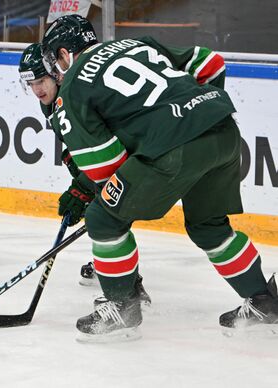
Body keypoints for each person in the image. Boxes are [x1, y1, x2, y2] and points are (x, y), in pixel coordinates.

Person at [40, 14, 278, 341]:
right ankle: (262, 299)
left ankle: (122, 307)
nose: (55, 69)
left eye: (55, 60)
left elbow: (103, 165)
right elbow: (211, 63)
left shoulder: (71, 89)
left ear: (65, 54)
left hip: (172, 148)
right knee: (208, 225)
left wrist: (117, 200)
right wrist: (194, 114)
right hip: (222, 127)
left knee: (104, 219)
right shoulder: (135, 43)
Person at [19, 43, 151, 301]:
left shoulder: (76, 94)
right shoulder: (51, 101)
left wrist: (83, 186)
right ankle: (112, 266)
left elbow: (108, 150)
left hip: (136, 154)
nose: (37, 90)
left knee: (109, 214)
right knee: (104, 213)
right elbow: (78, 148)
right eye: (31, 84)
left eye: (41, 80)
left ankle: (130, 286)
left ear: (56, 74)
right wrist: (79, 176)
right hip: (114, 157)